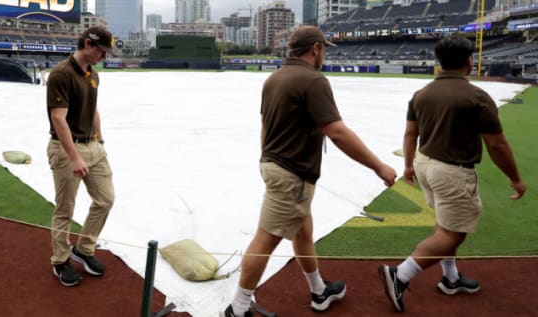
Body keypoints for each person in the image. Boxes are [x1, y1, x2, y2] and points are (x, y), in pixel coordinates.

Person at [222, 26, 397, 317]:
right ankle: (238, 309)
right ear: (315, 49)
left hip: (278, 167)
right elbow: (337, 132)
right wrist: (379, 166)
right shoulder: (313, 81)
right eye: (324, 49)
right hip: (292, 174)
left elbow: (266, 126)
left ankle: (319, 290)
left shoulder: (274, 78)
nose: (324, 54)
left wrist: (269, 158)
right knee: (266, 238)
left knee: (303, 232)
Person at [379, 34, 526, 312]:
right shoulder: (476, 96)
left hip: (425, 164)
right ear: (469, 62)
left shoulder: (421, 94)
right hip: (452, 171)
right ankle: (400, 275)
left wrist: (409, 165)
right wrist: (515, 178)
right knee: (454, 233)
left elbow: (411, 133)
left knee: (445, 224)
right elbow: (496, 143)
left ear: (440, 62)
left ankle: (451, 278)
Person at [46, 26, 116, 287]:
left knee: (106, 199)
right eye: (101, 51)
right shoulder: (61, 74)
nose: (104, 56)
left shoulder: (93, 74)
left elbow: (93, 109)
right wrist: (75, 156)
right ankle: (60, 260)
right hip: (66, 149)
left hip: (93, 146)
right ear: (88, 44)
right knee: (65, 208)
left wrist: (100, 138)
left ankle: (84, 249)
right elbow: (58, 118)